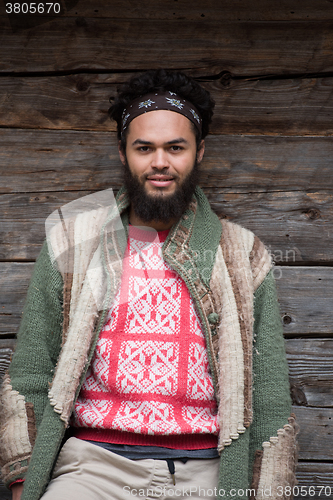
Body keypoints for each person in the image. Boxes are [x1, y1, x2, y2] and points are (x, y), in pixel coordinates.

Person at [1, 69, 298, 500]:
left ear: (199, 153)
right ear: (124, 154)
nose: (160, 161)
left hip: (209, 475)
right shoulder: (73, 240)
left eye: (175, 147)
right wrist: (24, 482)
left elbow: (270, 397)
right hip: (93, 469)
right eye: (145, 148)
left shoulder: (242, 253)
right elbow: (29, 371)